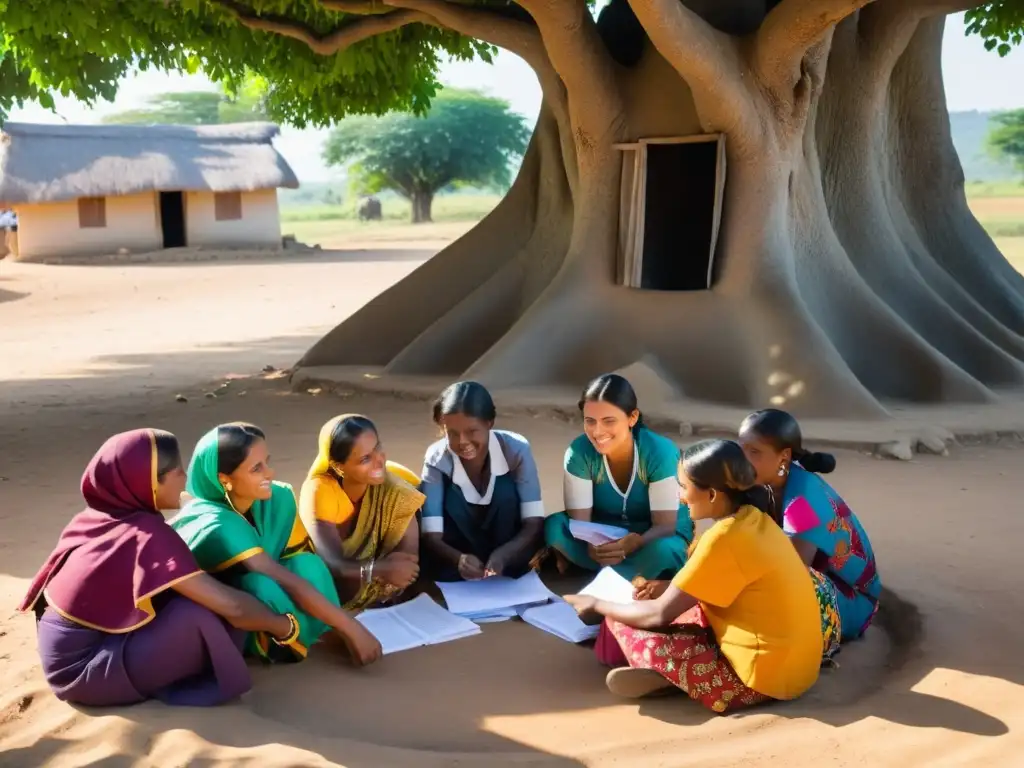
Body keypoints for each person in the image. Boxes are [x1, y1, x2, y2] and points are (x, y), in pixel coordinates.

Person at [18, 428, 302, 707]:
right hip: (83, 671)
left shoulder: (103, 515)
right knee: (199, 617)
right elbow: (234, 609)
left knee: (204, 598)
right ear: (149, 483)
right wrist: (284, 626)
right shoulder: (146, 534)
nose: (184, 478)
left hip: (83, 650)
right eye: (176, 471)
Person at [565, 440, 823, 713]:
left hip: (762, 680)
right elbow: (732, 580)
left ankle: (675, 679)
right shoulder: (755, 519)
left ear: (712, 494)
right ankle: (669, 678)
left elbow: (658, 615)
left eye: (684, 487)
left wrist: (596, 604)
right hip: (801, 671)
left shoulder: (723, 538)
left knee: (623, 623)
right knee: (682, 612)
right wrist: (669, 587)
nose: (680, 497)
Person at [170, 423, 382, 665]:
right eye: (256, 469)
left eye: (267, 463)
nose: (269, 473)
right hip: (234, 616)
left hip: (272, 586)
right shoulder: (217, 523)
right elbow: (280, 577)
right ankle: (282, 644)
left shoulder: (277, 498)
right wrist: (350, 625)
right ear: (224, 479)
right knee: (260, 584)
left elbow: (298, 565)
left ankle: (324, 631)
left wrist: (343, 624)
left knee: (307, 563)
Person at [738, 409, 881, 641]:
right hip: (818, 578)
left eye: (754, 452)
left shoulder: (801, 502)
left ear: (783, 456)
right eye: (741, 448)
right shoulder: (766, 482)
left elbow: (793, 572)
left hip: (852, 601)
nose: (742, 460)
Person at [544, 374, 692, 580]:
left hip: (653, 536)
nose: (597, 431)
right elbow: (581, 525)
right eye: (590, 421)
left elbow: (664, 525)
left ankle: (598, 573)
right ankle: (620, 572)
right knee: (554, 526)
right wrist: (590, 545)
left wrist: (636, 542)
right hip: (603, 534)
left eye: (608, 421)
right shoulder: (579, 452)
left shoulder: (660, 452)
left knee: (666, 550)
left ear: (632, 417)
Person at [419, 381, 546, 581]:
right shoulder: (436, 459)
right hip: (457, 556)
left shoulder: (516, 450)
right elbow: (431, 534)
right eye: (451, 433)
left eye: (472, 431)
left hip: (509, 554)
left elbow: (533, 522)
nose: (462, 441)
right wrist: (458, 559)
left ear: (489, 423)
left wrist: (504, 555)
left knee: (506, 491)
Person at [298, 414, 425, 611]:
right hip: (331, 592)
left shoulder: (394, 489)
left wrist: (400, 567)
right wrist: (379, 570)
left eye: (378, 448)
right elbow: (333, 564)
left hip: (379, 589)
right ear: (339, 467)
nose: (379, 461)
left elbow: (408, 556)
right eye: (365, 458)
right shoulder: (321, 490)